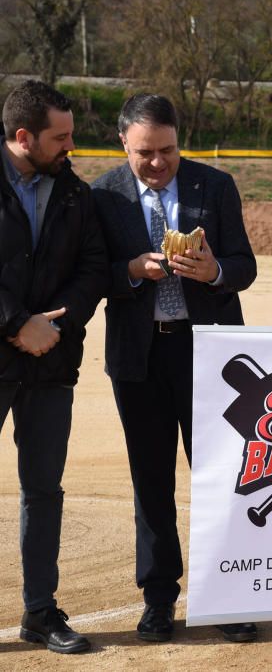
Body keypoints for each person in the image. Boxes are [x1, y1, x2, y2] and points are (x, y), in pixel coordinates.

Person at [91, 93, 258, 643]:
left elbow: (244, 266)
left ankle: (230, 595)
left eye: (168, 150)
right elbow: (93, 274)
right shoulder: (103, 195)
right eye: (146, 153)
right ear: (124, 144)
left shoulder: (215, 185)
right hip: (139, 357)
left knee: (220, 477)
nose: (160, 163)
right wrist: (133, 271)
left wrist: (213, 272)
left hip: (208, 352)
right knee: (151, 480)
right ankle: (158, 598)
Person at [0, 80, 107, 655]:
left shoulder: (74, 193)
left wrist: (54, 328)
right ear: (23, 137)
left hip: (52, 363)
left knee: (43, 490)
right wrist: (17, 323)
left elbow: (94, 269)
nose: (71, 144)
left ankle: (40, 613)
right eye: (60, 137)